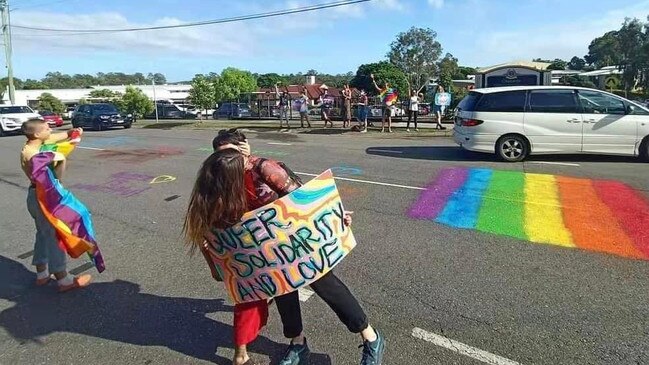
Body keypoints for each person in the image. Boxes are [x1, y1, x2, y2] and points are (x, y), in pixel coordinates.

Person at [187, 129, 386, 365]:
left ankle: (371, 337)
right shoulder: (223, 177)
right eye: (223, 155)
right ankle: (298, 343)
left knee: (327, 286)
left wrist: (334, 216)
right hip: (268, 251)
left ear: (243, 149)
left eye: (234, 152)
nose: (229, 158)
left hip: (300, 241)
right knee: (283, 292)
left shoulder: (264, 168)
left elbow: (306, 199)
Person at [20, 119, 92, 293]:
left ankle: (42, 274)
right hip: (43, 197)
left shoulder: (33, 144)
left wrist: (70, 133)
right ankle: (63, 279)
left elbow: (52, 138)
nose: (50, 130)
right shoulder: (34, 154)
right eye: (46, 128)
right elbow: (59, 160)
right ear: (37, 134)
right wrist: (60, 177)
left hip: (34, 195)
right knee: (54, 236)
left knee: (43, 234)